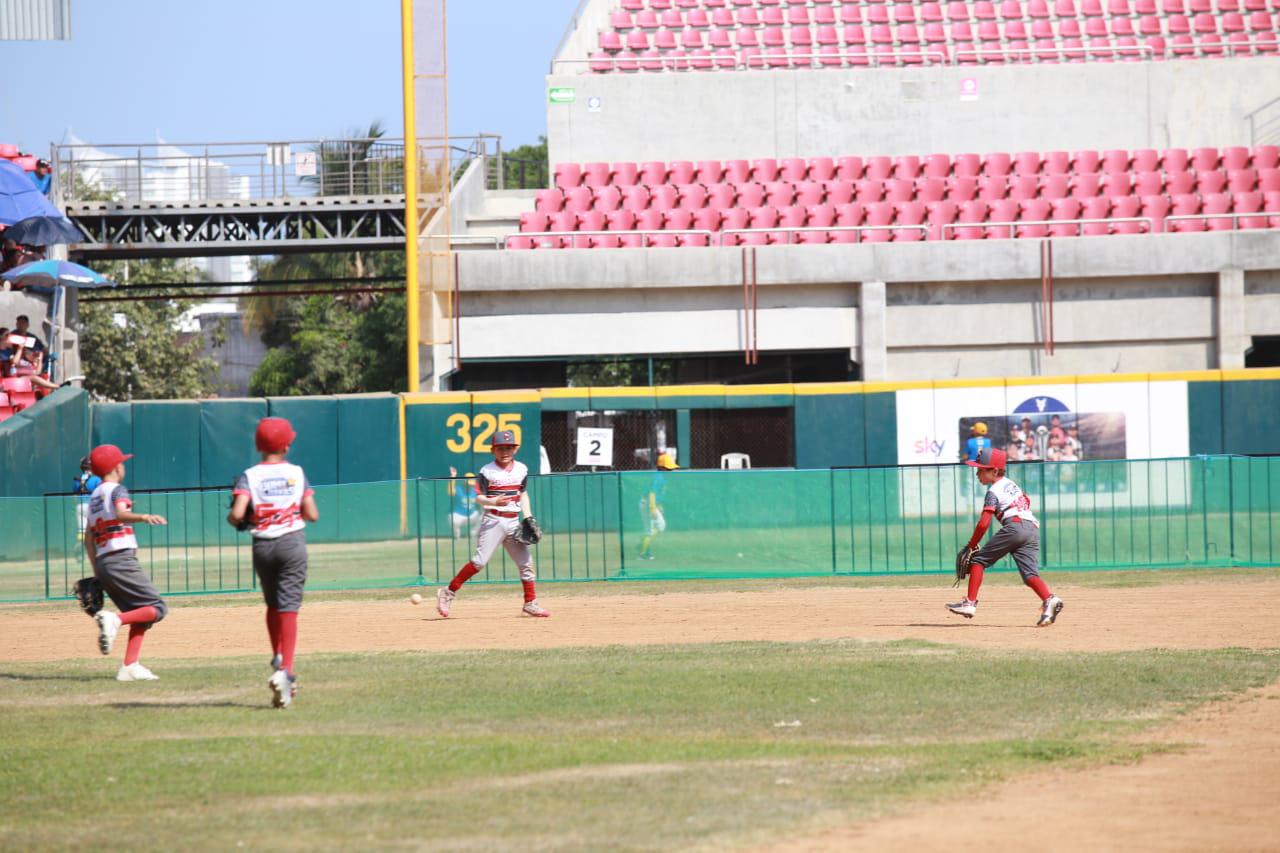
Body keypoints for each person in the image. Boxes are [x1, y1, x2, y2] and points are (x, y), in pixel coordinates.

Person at [227, 417, 319, 710]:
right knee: (289, 605)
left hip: (263, 546)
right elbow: (312, 513)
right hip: (291, 542)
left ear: (258, 445)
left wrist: (243, 517)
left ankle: (277, 656)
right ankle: (286, 672)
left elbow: (237, 514)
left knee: (273, 603)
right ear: (287, 445)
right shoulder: (296, 472)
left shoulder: (250, 475)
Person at [436, 429, 550, 618]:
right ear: (492, 450)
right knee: (479, 562)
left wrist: (528, 517)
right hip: (493, 520)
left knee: (526, 563)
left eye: (509, 448)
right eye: (500, 448)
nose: (505, 452)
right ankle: (447, 592)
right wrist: (493, 501)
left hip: (513, 521)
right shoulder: (487, 471)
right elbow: (479, 497)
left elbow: (522, 494)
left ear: (515, 449)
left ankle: (530, 603)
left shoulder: (521, 469)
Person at [946, 446, 1064, 628]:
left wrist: (971, 545)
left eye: (981, 469)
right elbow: (1026, 500)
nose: (977, 473)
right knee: (1030, 575)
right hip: (1032, 528)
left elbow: (983, 523)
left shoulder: (993, 492)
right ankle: (1050, 599)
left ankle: (969, 603)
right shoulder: (1011, 484)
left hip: (1015, 527)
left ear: (994, 471)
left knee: (978, 561)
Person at [83, 444, 169, 680]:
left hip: (104, 560)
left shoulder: (94, 497)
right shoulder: (117, 490)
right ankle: (115, 620)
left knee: (139, 612)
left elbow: (89, 538)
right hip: (120, 558)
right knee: (157, 608)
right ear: (116, 468)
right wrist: (144, 516)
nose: (123, 466)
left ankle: (130, 666)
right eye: (121, 462)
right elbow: (121, 513)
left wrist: (98, 571)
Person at [637, 449, 678, 561]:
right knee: (659, 526)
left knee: (651, 529)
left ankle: (645, 547)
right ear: (663, 467)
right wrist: (653, 508)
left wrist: (658, 505)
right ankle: (642, 553)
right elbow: (652, 493)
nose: (671, 470)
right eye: (669, 467)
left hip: (647, 503)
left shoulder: (662, 476)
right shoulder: (659, 477)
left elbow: (657, 494)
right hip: (647, 503)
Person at [73, 455, 103, 543]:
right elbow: (101, 493)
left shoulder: (77, 480)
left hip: (80, 506)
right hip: (92, 506)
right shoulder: (96, 479)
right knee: (96, 529)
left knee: (81, 532)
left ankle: (81, 548)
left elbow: (74, 495)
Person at [447, 466, 481, 540]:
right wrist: (453, 477)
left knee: (484, 517)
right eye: (468, 484)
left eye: (471, 484)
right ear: (464, 482)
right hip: (459, 515)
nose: (470, 485)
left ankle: (473, 533)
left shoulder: (475, 490)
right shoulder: (458, 489)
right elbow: (450, 491)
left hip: (472, 515)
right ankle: (456, 535)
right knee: (452, 518)